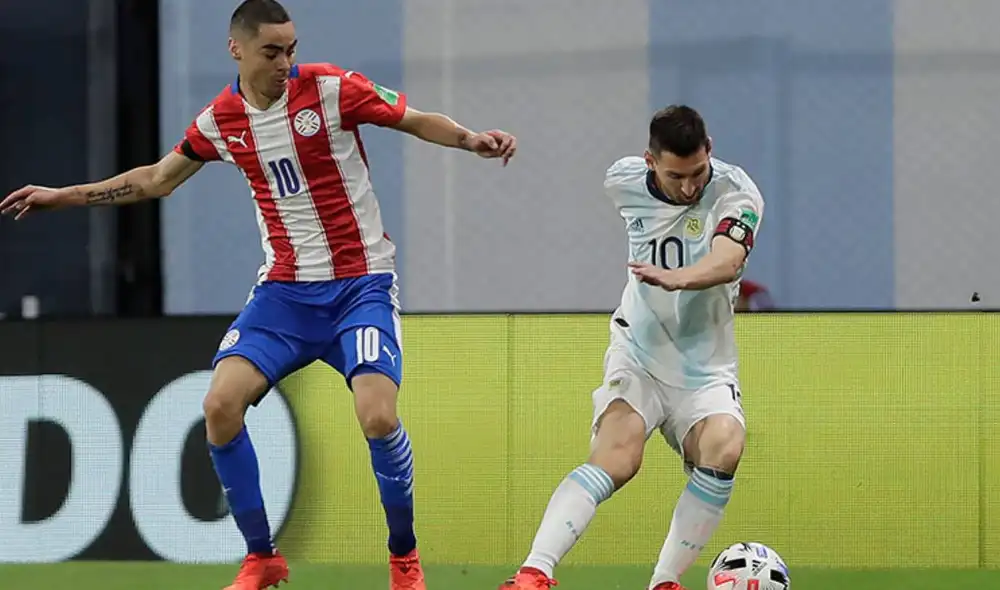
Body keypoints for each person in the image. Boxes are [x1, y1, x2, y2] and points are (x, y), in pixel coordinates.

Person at [0, 1, 516, 589]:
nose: (285, 62)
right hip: (284, 295)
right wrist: (61, 196)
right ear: (237, 49)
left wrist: (470, 140)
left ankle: (403, 558)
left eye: (291, 48)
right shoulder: (221, 120)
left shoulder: (330, 87)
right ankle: (262, 558)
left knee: (377, 416)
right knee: (220, 407)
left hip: (360, 284)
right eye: (272, 51)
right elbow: (155, 180)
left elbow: (414, 117)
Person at [500, 105, 762, 590]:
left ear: (710, 151)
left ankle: (665, 581)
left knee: (725, 444)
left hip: (705, 368)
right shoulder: (622, 181)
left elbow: (727, 262)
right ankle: (534, 571)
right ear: (649, 162)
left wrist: (679, 278)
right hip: (638, 352)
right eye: (675, 176)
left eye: (697, 172)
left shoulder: (737, 193)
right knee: (619, 457)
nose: (688, 188)